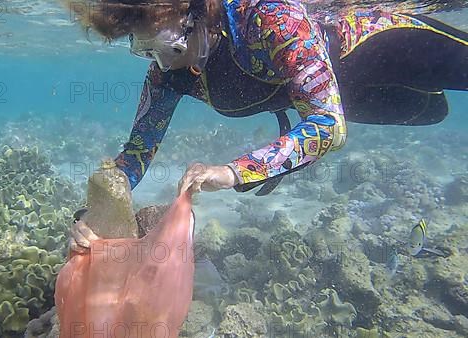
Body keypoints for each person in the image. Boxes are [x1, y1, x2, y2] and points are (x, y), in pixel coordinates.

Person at [64, 0, 468, 251]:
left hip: (381, 46)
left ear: (192, 13)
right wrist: (94, 216)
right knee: (434, 112)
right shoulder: (167, 73)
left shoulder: (266, 15)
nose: (161, 61)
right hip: (354, 96)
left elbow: (327, 124)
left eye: (164, 45)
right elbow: (135, 155)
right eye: (142, 49)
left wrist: (233, 172)